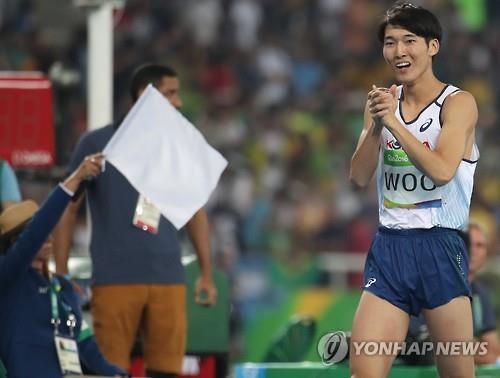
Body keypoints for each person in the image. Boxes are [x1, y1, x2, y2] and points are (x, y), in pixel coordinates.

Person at [54, 63, 218, 378]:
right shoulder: (98, 144)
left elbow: (196, 210)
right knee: (110, 371)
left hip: (168, 276)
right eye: (171, 93)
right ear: (147, 95)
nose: (179, 102)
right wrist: (61, 275)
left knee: (167, 372)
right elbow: (67, 207)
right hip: (115, 277)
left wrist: (206, 273)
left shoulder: (178, 148)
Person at [349, 3, 479, 377]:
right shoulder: (380, 105)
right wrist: (376, 126)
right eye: (390, 43)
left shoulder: (458, 104)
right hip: (390, 248)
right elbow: (358, 177)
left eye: (410, 40)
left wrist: (392, 121)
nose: (399, 51)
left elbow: (440, 171)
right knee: (364, 374)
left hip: (440, 248)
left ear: (433, 46)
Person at [0, 153, 127, 378]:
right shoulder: (9, 278)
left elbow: (86, 344)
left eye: (49, 233)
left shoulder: (64, 289)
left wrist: (116, 373)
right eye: (39, 235)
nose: (47, 237)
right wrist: (75, 179)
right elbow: (38, 230)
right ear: (14, 243)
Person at [404, 223, 500, 366]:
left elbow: (492, 351)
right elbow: (426, 347)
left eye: (480, 245)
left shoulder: (481, 293)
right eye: (468, 244)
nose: (472, 251)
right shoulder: (426, 286)